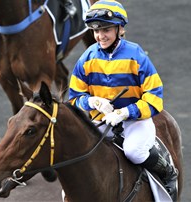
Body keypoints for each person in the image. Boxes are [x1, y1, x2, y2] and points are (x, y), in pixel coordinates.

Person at [68, 0, 178, 200]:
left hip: (135, 121)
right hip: (102, 121)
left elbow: (155, 97)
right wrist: (92, 102)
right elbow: (75, 97)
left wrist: (125, 112)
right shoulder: (87, 57)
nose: (100, 36)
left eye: (106, 29)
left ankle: (167, 172)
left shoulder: (136, 55)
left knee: (134, 152)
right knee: (79, 152)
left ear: (120, 29)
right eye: (95, 30)